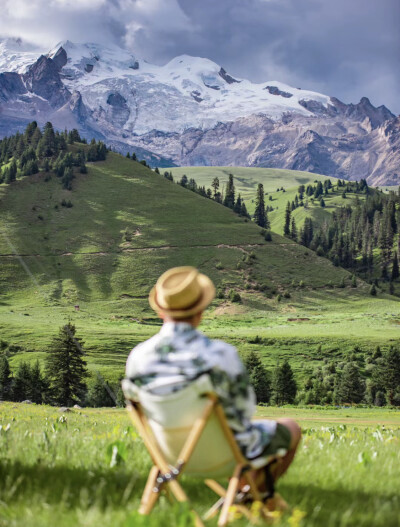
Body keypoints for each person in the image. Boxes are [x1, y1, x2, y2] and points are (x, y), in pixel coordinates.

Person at [123, 266, 301, 503]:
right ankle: (250, 497)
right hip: (226, 457)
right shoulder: (219, 354)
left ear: (161, 312)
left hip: (168, 457)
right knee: (291, 428)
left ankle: (245, 496)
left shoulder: (138, 357)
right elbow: (245, 411)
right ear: (200, 311)